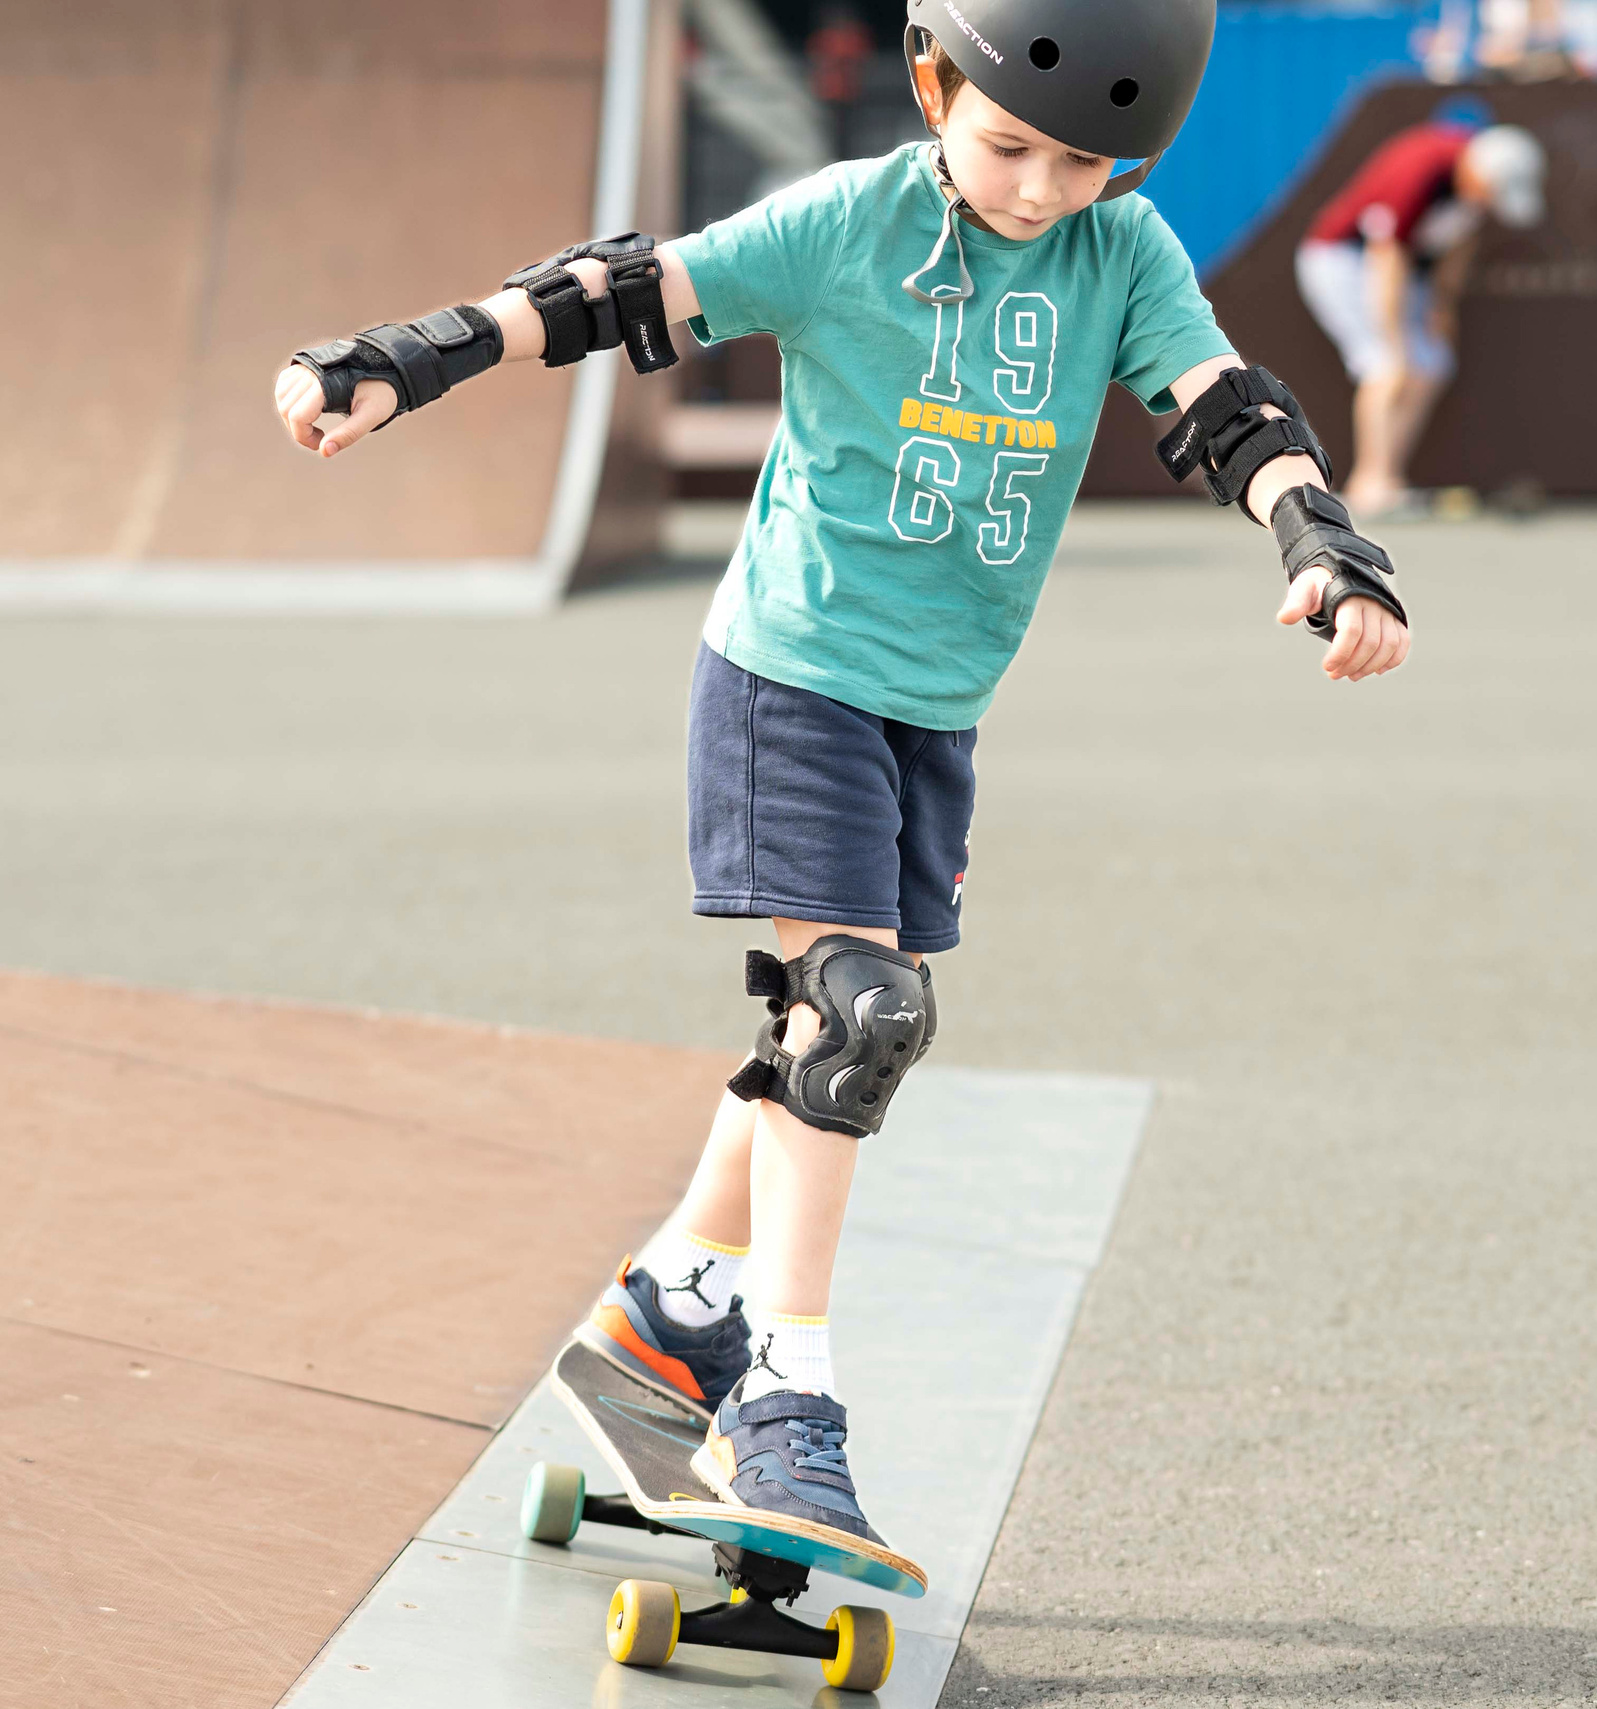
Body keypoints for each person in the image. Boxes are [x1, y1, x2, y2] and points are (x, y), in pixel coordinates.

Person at [272, 0, 1408, 1585]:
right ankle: (783, 1394)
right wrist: (408, 358)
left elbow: (1226, 409)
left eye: (1084, 161)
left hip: (931, 711)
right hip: (789, 673)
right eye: (1011, 144)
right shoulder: (848, 222)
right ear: (935, 82)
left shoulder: (1120, 251)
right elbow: (621, 292)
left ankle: (670, 1304)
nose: (1038, 190)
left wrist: (1321, 545)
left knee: (824, 1039)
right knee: (859, 1010)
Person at [1295, 117, 1546, 515]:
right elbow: (1387, 258)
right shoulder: (1422, 170)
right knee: (1387, 364)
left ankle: (1388, 477)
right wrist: (1393, 336)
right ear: (1479, 174)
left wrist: (1442, 306)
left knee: (1431, 364)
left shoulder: (1474, 188)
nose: (1490, 205)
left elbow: (1459, 245)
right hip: (1342, 259)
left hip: (1401, 270)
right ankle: (1369, 482)